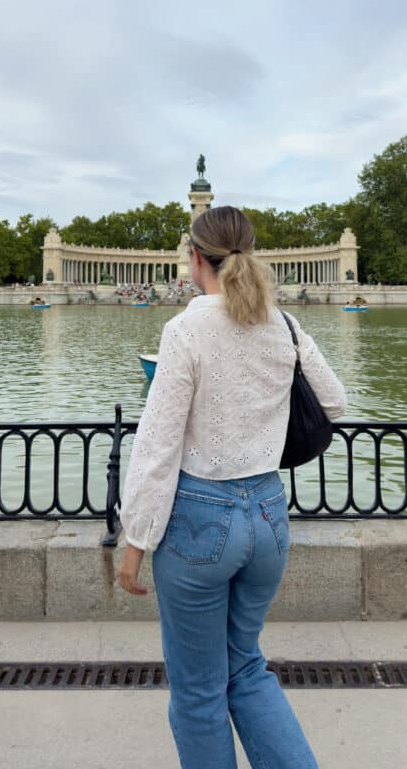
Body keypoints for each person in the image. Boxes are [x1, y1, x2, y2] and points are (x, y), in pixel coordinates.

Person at [117, 205, 345, 769]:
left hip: (199, 522)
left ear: (196, 258)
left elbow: (157, 445)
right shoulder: (282, 324)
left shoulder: (185, 329)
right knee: (245, 667)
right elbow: (334, 401)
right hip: (268, 515)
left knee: (198, 692)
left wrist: (135, 541)